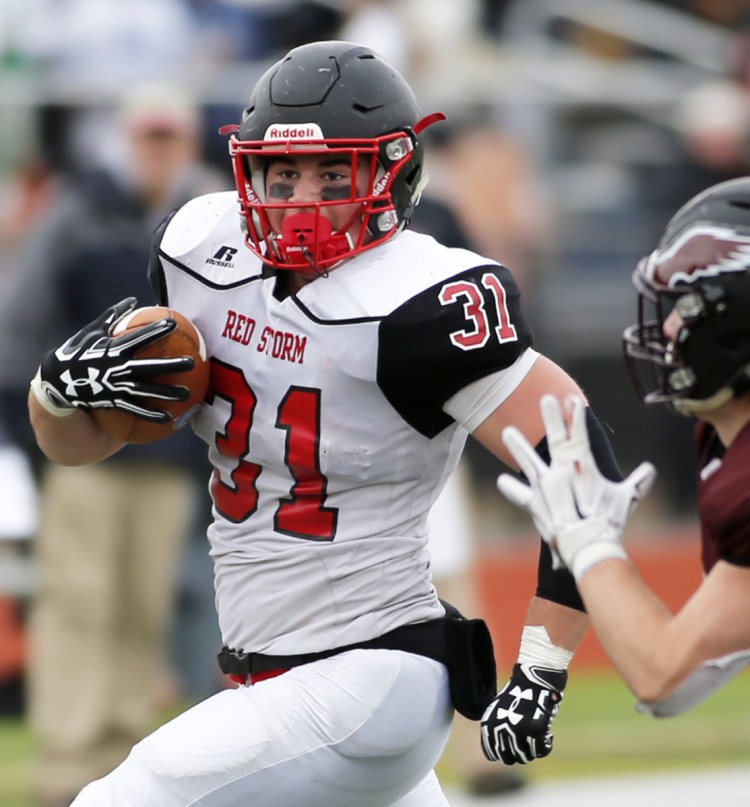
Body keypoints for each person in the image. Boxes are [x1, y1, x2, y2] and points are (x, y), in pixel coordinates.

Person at [25, 41, 631, 806]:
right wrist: (56, 389)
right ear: (250, 170)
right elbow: (76, 444)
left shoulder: (420, 301)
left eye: (334, 173)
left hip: (371, 671)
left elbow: (585, 466)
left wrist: (541, 668)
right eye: (284, 174)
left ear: (393, 174)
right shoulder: (200, 249)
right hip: (278, 675)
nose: (302, 196)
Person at [0, 82, 227, 807]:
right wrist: (38, 427)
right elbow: (21, 319)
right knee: (80, 597)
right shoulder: (79, 213)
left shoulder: (203, 221)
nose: (159, 151)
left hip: (164, 456)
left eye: (170, 138)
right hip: (83, 447)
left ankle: (119, 757)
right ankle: (68, 755)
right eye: (148, 137)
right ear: (126, 140)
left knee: (143, 601)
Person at [496, 176, 750, 719]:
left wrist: (588, 543)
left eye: (685, 302)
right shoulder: (725, 443)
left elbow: (664, 675)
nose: (671, 324)